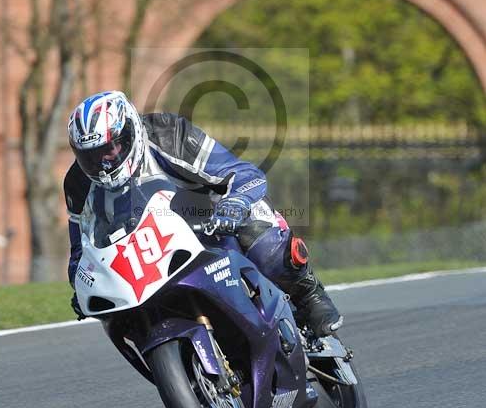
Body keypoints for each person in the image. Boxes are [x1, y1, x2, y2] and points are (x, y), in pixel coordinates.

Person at [64, 90, 342, 337]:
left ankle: (310, 295)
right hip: (151, 253)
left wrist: (234, 203)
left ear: (131, 133)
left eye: (112, 148)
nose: (104, 161)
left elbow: (244, 174)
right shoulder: (78, 183)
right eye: (93, 155)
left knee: (258, 232)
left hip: (213, 217)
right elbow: (81, 249)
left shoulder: (168, 134)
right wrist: (82, 282)